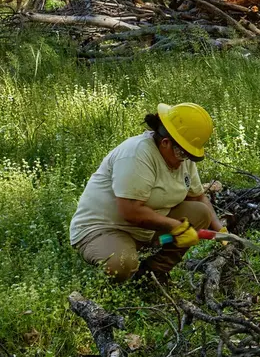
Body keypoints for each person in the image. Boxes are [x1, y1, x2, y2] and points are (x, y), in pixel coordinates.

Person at [69, 103, 224, 284]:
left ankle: (152, 274)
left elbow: (197, 197)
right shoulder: (137, 154)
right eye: (182, 153)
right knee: (122, 263)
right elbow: (130, 211)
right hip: (104, 229)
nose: (185, 160)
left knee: (199, 214)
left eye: (189, 155)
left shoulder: (182, 157)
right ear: (165, 143)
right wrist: (176, 227)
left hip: (147, 232)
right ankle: (118, 272)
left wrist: (220, 231)